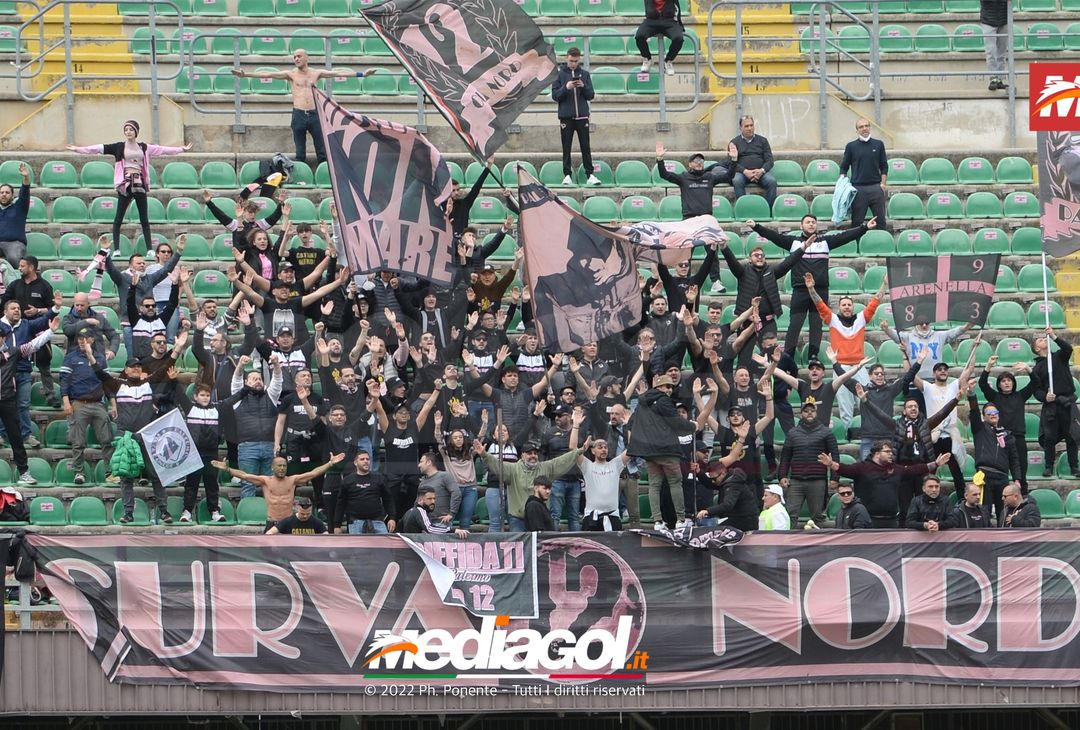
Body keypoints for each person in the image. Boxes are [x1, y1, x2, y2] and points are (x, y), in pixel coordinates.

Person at [746, 215, 872, 360]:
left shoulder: (825, 242)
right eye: (808, 222)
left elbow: (845, 236)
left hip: (820, 290)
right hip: (800, 290)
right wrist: (756, 227)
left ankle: (813, 355)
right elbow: (774, 236)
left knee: (816, 324)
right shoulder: (793, 242)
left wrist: (864, 227)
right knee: (795, 324)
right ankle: (788, 356)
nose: (811, 224)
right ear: (801, 226)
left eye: (813, 222)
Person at [232, 50, 376, 166]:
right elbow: (268, 74)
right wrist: (246, 75)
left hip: (314, 114)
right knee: (300, 152)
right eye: (294, 57)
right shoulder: (291, 74)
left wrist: (363, 74)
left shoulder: (316, 73)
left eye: (299, 56)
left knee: (322, 150)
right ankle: (302, 175)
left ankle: (324, 174)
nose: (296, 59)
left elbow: (337, 73)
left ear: (307, 58)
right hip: (299, 114)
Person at [66, 121, 192, 251]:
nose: (128, 132)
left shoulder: (144, 147)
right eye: (126, 130)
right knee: (118, 218)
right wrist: (79, 149)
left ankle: (149, 249)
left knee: (144, 218)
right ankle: (116, 249)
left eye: (131, 129)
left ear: (136, 131)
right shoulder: (119, 147)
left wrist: (181, 149)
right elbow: (99, 148)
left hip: (139, 183)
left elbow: (162, 150)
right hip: (125, 184)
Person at [805, 270, 885, 425]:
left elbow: (875, 302)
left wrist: (885, 285)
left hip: (859, 367)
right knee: (845, 408)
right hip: (840, 368)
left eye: (849, 305)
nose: (847, 307)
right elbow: (819, 304)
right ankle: (848, 432)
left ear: (853, 307)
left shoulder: (861, 318)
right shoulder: (832, 319)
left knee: (866, 402)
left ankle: (867, 432)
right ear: (839, 307)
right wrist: (811, 289)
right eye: (844, 305)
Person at [818, 441, 951, 528]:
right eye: (887, 451)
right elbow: (844, 469)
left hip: (891, 521)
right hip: (868, 520)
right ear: (877, 453)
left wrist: (936, 464)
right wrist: (830, 464)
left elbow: (915, 470)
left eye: (891, 452)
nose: (891, 454)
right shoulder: (862, 468)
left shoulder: (896, 469)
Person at [628, 373, 697, 530]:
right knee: (675, 482)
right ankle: (680, 519)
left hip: (649, 451)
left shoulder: (641, 402)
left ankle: (657, 522)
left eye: (671, 387)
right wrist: (692, 426)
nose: (670, 390)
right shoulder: (663, 400)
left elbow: (631, 423)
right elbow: (675, 421)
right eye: (667, 386)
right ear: (658, 387)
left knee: (654, 485)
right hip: (667, 450)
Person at [213, 453, 344, 532]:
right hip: (272, 522)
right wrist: (228, 470)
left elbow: (314, 473)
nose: (282, 468)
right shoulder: (265, 480)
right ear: (272, 467)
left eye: (284, 466)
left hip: (288, 522)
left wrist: (330, 463)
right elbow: (245, 476)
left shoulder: (293, 480)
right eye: (279, 466)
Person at [474, 437, 582, 532]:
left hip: (539, 517)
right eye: (529, 453)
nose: (533, 456)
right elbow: (498, 465)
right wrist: (484, 455)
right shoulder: (513, 469)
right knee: (520, 547)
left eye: (535, 453)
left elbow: (562, 461)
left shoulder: (546, 467)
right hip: (518, 519)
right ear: (522, 455)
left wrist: (579, 451)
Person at [0, 293, 60, 447]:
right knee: (3, 405)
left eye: (18, 308)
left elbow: (38, 332)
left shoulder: (26, 324)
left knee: (23, 405)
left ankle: (26, 435)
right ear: (5, 311)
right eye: (13, 308)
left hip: (23, 371)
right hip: (4, 374)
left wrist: (55, 308)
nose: (17, 310)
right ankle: (2, 435)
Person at [2, 255, 61, 409]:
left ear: (31, 267)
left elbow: (52, 309)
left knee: (44, 363)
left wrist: (38, 310)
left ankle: (50, 395)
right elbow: (4, 304)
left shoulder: (45, 286)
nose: (19, 268)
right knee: (12, 362)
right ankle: (10, 394)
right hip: (19, 330)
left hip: (39, 329)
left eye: (22, 266)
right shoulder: (15, 285)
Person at [719, 236, 806, 340]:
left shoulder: (772, 271)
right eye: (756, 255)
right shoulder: (742, 271)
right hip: (747, 321)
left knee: (770, 349)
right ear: (749, 259)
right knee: (743, 350)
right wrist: (724, 247)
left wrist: (803, 248)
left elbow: (788, 263)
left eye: (762, 255)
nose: (760, 257)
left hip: (767, 322)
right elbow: (732, 261)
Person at [0, 322, 54, 484]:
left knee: (16, 438)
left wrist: (50, 332)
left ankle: (24, 472)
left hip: (7, 400)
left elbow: (32, 345)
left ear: (4, 338)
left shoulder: (13, 352)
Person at [881, 315, 974, 410]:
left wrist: (966, 327)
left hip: (934, 382)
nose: (924, 326)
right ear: (916, 325)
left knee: (935, 411)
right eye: (921, 324)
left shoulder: (939, 336)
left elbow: (954, 333)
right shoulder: (908, 336)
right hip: (915, 382)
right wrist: (887, 329)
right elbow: (896, 336)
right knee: (917, 411)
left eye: (927, 323)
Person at [60, 331, 117, 485]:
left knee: (107, 440)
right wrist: (66, 402)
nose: (81, 341)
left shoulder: (100, 358)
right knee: (78, 441)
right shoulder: (71, 357)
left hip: (98, 404)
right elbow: (64, 381)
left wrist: (113, 404)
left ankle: (110, 472)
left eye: (85, 338)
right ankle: (79, 472)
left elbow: (107, 383)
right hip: (79, 403)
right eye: (79, 338)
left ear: (92, 339)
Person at [777, 399, 839, 528]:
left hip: (818, 480)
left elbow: (834, 455)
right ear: (801, 414)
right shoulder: (792, 433)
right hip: (796, 481)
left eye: (812, 410)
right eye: (806, 411)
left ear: (816, 413)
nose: (809, 413)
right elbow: (785, 457)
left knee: (818, 516)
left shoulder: (826, 432)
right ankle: (789, 539)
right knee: (790, 514)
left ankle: (819, 540)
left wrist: (834, 477)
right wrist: (782, 476)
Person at [979, 355, 1034, 490]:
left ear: (1013, 383)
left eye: (1009, 380)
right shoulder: (995, 397)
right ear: (999, 384)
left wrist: (1028, 368)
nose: (1007, 383)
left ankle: (1023, 495)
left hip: (1018, 438)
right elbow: (983, 384)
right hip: (1000, 437)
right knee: (999, 471)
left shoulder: (1021, 395)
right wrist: (988, 366)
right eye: (1003, 381)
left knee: (1021, 470)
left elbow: (1036, 383)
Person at [968, 388, 1022, 521]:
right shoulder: (980, 429)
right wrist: (972, 395)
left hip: (1002, 477)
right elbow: (974, 412)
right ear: (984, 417)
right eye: (989, 413)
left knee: (1003, 511)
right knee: (984, 510)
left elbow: (1014, 459)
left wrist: (1017, 479)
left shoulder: (1007, 435)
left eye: (995, 412)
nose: (993, 415)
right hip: (985, 475)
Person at [1031, 327, 1077, 478]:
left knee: (1071, 437)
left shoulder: (1059, 357)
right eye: (1040, 340)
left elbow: (1068, 348)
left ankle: (1074, 467)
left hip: (1067, 402)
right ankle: (1049, 467)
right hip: (1052, 405)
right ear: (1037, 349)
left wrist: (1053, 336)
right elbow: (1036, 390)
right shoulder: (1037, 368)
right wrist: (1045, 397)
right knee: (1050, 438)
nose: (1044, 340)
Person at [552, 48, 600, 187]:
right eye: (571, 61)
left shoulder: (584, 74)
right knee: (566, 147)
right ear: (566, 58)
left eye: (576, 61)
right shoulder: (559, 75)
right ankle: (567, 175)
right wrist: (566, 87)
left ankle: (590, 174)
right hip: (566, 117)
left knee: (586, 146)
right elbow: (555, 96)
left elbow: (590, 95)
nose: (573, 64)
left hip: (582, 117)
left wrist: (583, 86)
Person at [839, 118, 888, 231]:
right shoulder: (851, 146)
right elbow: (844, 167)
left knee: (881, 222)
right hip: (858, 189)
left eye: (866, 126)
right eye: (861, 127)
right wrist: (842, 184)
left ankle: (882, 242)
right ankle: (857, 242)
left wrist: (883, 184)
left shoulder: (879, 144)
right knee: (857, 223)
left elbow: (884, 166)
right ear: (857, 130)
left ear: (870, 128)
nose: (864, 128)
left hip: (876, 188)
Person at [332, 451, 396, 534]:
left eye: (367, 459)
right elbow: (341, 504)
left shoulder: (379, 478)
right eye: (362, 459)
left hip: (377, 520)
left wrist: (392, 518)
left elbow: (388, 499)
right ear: (355, 463)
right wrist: (337, 525)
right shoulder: (347, 481)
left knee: (385, 542)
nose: (366, 461)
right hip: (355, 522)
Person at [729, 116, 777, 206]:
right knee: (737, 180)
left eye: (751, 125)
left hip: (761, 173)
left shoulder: (763, 141)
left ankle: (768, 209)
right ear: (740, 128)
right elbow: (731, 162)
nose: (750, 128)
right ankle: (743, 208)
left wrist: (761, 171)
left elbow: (770, 161)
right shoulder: (734, 142)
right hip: (742, 173)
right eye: (746, 126)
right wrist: (745, 171)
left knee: (772, 181)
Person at [634, 0, 684, 76]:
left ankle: (668, 60)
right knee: (639, 36)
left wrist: (679, 24)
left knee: (679, 38)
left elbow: (677, 8)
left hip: (669, 20)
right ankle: (647, 58)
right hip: (651, 20)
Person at [399, 486, 470, 537]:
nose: (433, 501)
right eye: (429, 499)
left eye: (434, 498)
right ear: (420, 499)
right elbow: (430, 529)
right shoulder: (420, 511)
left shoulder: (409, 511)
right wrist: (454, 530)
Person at [0, 162, 30, 269]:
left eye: (7, 193)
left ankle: (19, 279)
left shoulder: (19, 207)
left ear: (12, 195)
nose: (4, 194)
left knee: (14, 258)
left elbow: (25, 193)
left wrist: (26, 178)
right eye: (2, 192)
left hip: (14, 243)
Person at [980, 0, 1009, 91]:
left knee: (1001, 52)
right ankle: (993, 78)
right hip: (988, 20)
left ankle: (1000, 79)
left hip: (1004, 19)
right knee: (991, 51)